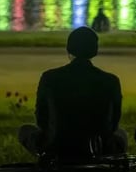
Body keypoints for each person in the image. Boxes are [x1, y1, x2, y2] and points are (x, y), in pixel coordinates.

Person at [18, 27, 127, 157]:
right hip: (98, 146)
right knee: (121, 134)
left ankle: (46, 159)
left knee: (24, 131)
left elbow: (41, 118)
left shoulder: (49, 78)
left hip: (57, 145)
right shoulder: (111, 81)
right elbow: (114, 121)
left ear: (69, 49)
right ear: (95, 50)